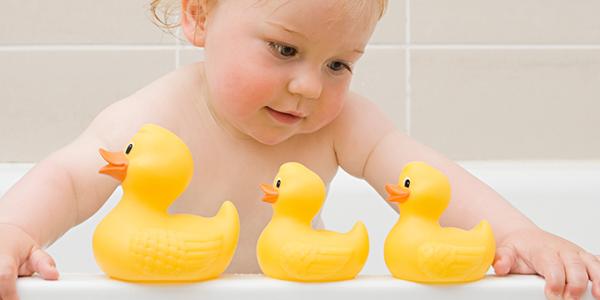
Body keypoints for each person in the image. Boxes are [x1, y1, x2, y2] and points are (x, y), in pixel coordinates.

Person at [0, 1, 598, 299]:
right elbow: (71, 179)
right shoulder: (154, 120)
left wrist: (520, 232)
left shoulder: (340, 125)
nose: (310, 87)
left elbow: (426, 179)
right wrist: (12, 229)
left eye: (339, 63)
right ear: (200, 15)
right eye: (284, 50)